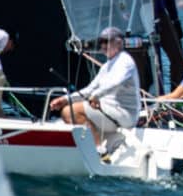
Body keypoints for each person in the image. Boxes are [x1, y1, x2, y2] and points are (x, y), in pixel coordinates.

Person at [49, 27, 141, 157]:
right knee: (66, 110)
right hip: (111, 111)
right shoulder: (107, 66)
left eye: (106, 41)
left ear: (119, 43)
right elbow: (89, 90)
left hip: (125, 115)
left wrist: (96, 96)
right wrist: (65, 99)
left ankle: (99, 150)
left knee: (70, 111)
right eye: (101, 42)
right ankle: (96, 144)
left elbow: (116, 83)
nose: (103, 45)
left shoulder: (125, 61)